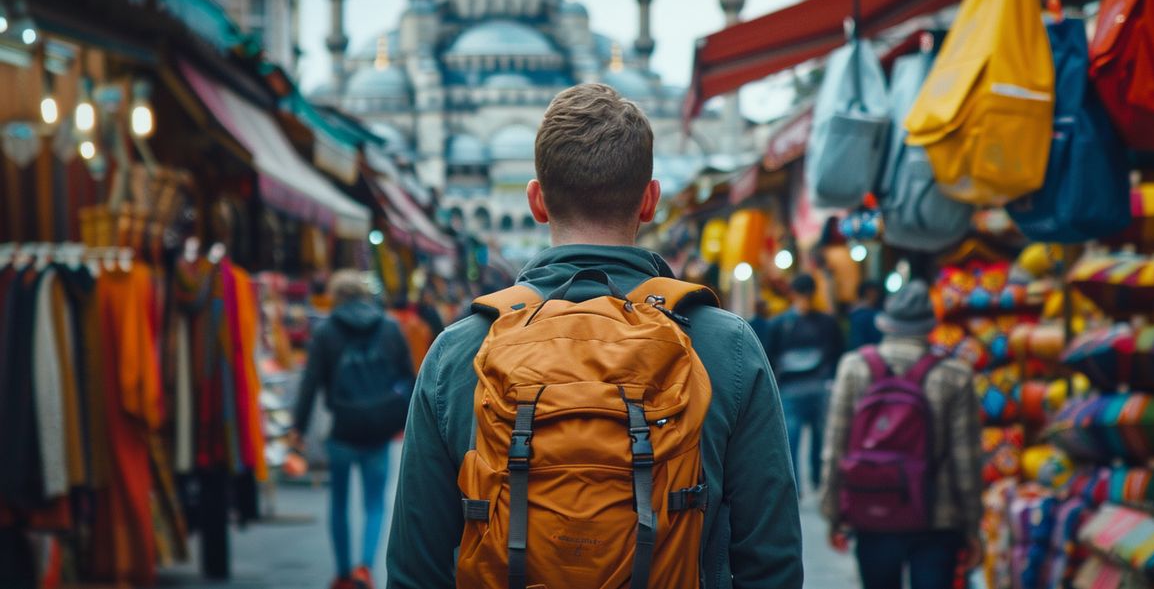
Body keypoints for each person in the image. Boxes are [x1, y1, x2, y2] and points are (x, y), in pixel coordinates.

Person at [387, 83, 803, 589]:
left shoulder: (460, 350)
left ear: (537, 201)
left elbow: (415, 568)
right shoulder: (724, 344)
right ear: (650, 201)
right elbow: (772, 560)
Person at [821, 280, 984, 589]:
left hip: (872, 509)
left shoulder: (854, 367)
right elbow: (967, 460)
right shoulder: (955, 374)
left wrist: (833, 514)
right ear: (929, 326)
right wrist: (972, 526)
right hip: (938, 516)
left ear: (886, 323)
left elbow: (835, 447)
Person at [290, 270, 415, 589]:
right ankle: (365, 568)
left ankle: (343, 573)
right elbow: (408, 377)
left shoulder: (327, 332)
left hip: (342, 428)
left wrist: (298, 431)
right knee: (375, 502)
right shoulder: (389, 327)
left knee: (340, 501)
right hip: (378, 427)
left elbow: (310, 385)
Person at [766, 272, 844, 493]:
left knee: (813, 437)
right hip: (797, 388)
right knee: (794, 437)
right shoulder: (781, 324)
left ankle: (815, 480)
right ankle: (799, 485)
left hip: (813, 387)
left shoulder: (820, 322)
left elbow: (837, 350)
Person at [847, 280, 884, 349]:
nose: (875, 294)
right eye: (873, 291)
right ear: (867, 292)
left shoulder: (855, 312)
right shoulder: (861, 315)